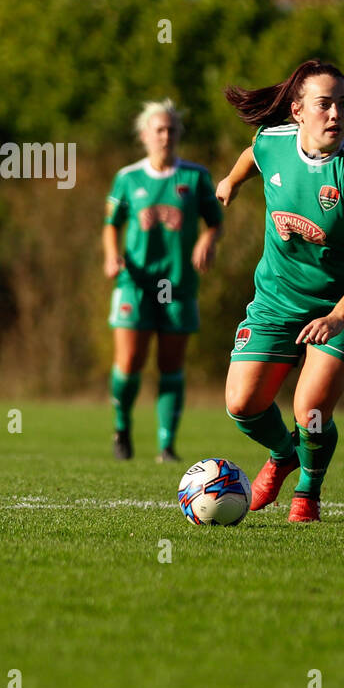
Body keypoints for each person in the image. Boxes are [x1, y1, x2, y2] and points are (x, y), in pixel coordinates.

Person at [216, 60, 344, 523]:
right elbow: (253, 155)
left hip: (343, 305)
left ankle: (308, 494)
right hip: (277, 298)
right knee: (242, 404)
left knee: (309, 408)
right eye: (325, 104)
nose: (336, 114)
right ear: (297, 112)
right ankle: (282, 454)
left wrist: (338, 319)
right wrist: (231, 182)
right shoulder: (274, 142)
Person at [104, 99, 222, 462]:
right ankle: (121, 428)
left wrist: (207, 239)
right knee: (129, 362)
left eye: (172, 129)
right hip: (135, 284)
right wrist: (112, 255)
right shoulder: (128, 177)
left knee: (171, 365)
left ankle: (166, 445)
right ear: (144, 135)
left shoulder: (195, 176)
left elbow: (214, 219)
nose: (166, 135)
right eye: (159, 129)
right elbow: (112, 224)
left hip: (178, 285)